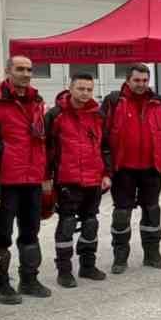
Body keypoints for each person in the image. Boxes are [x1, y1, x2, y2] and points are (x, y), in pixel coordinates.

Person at [0, 56, 51, 305]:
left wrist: (45, 176)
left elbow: (42, 141)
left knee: (31, 232)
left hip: (32, 179)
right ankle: (0, 284)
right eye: (20, 69)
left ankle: (29, 279)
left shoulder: (37, 101)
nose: (26, 74)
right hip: (6, 181)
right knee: (2, 235)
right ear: (8, 71)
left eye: (30, 69)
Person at [101, 64, 161, 273]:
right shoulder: (113, 101)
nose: (141, 84)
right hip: (123, 168)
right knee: (121, 214)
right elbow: (102, 137)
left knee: (152, 212)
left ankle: (152, 255)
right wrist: (105, 169)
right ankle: (120, 257)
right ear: (128, 80)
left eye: (145, 80)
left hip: (152, 168)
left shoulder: (159, 102)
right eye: (137, 80)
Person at [46, 72, 110, 288]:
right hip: (67, 179)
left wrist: (106, 174)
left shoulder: (98, 115)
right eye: (80, 88)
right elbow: (46, 149)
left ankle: (88, 265)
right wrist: (47, 177)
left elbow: (105, 147)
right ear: (70, 88)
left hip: (93, 179)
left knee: (90, 223)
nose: (85, 93)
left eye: (89, 89)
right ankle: (64, 271)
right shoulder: (55, 115)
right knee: (67, 224)